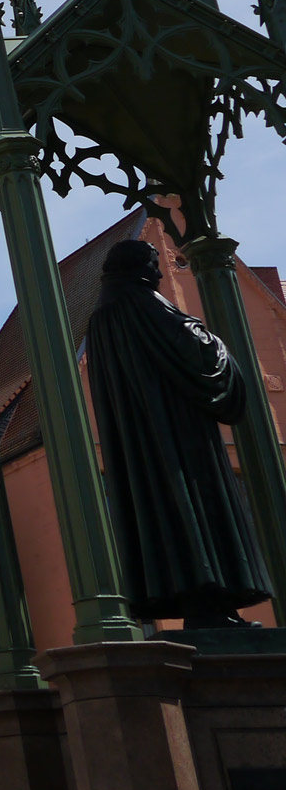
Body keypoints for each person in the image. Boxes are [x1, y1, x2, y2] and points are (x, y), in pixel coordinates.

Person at [86, 238, 271, 627]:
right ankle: (212, 606)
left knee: (169, 518)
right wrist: (220, 343)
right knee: (199, 511)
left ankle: (205, 607)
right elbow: (196, 351)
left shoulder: (102, 315)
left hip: (142, 440)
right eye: (153, 262)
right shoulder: (143, 302)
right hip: (178, 433)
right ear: (136, 266)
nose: (158, 270)